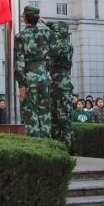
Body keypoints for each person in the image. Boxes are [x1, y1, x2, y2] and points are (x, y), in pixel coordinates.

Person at [14, 6, 55, 138]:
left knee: (31, 113)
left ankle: (36, 144)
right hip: (44, 78)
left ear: (24, 18)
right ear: (37, 19)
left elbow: (19, 62)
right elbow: (61, 30)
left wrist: (21, 84)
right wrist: (46, 22)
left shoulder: (20, 36)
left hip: (29, 79)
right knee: (45, 113)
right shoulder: (45, 34)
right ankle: (46, 143)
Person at [43, 19, 74, 148]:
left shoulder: (66, 45)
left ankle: (67, 146)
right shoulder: (56, 44)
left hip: (63, 86)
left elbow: (53, 53)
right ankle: (56, 146)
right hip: (53, 85)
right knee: (53, 118)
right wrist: (46, 22)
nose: (54, 33)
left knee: (63, 118)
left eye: (56, 31)